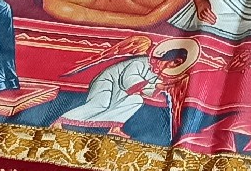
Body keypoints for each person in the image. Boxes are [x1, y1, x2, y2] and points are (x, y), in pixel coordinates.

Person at [55, 44, 192, 139]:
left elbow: (146, 91)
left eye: (174, 65)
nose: (168, 66)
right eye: (171, 62)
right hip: (107, 82)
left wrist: (160, 86)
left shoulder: (156, 73)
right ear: (167, 57)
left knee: (137, 100)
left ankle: (114, 127)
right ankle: (60, 121)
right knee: (100, 104)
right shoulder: (141, 62)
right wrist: (158, 85)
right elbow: (128, 81)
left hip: (122, 91)